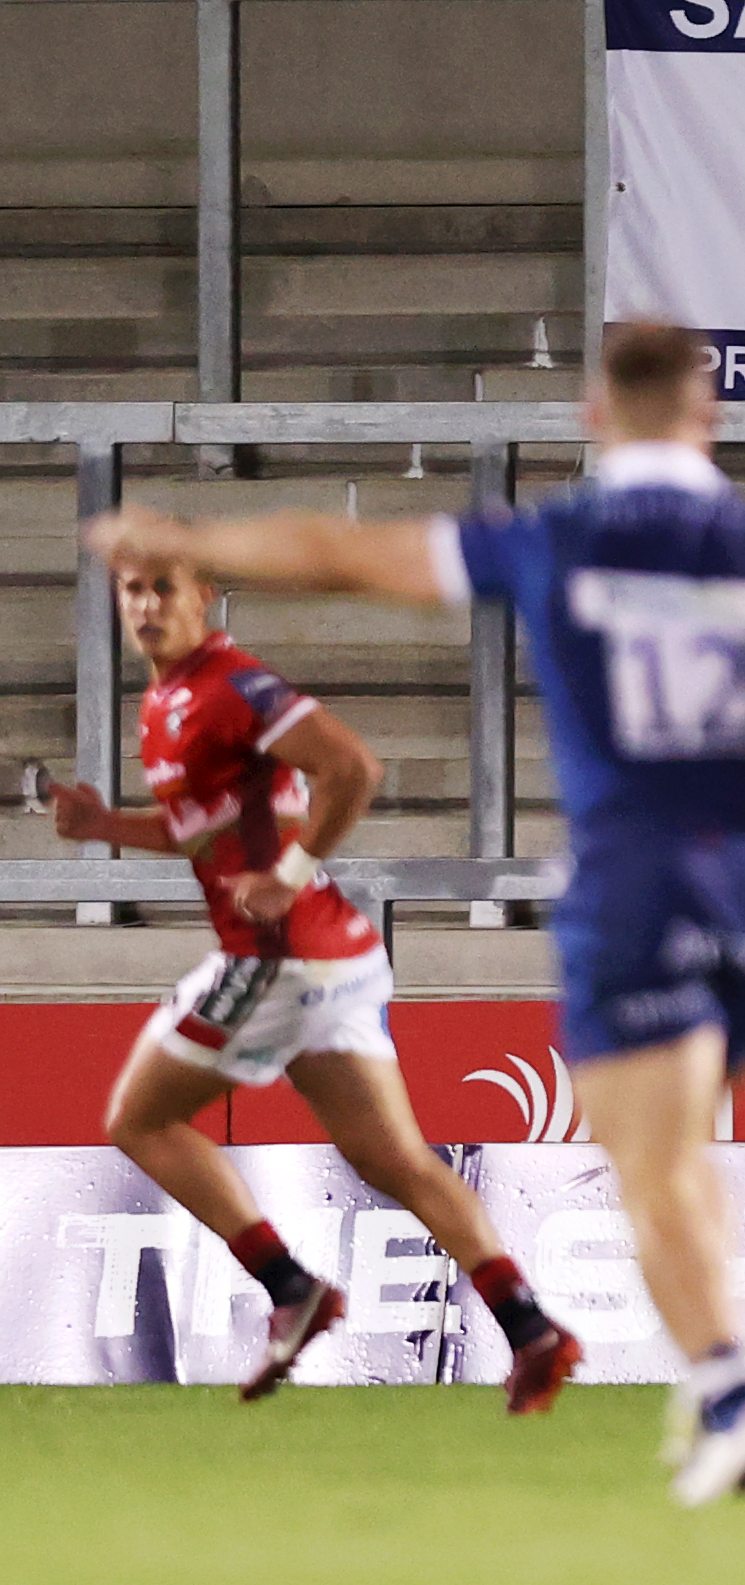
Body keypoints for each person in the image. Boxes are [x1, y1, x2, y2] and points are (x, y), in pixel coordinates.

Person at [88, 324, 745, 1507]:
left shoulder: (559, 537)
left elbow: (340, 552)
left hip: (633, 881)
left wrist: (190, 538)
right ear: (712, 418)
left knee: (655, 1162)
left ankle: (736, 1400)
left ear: (593, 416)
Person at [46, 560, 577, 1411]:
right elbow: (206, 831)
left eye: (162, 588)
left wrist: (290, 874)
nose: (145, 606)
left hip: (277, 957)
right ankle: (530, 1330)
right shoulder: (167, 703)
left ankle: (291, 1288)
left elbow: (353, 768)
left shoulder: (232, 686)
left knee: (139, 1118)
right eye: (132, 589)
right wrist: (106, 825)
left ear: (203, 596)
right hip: (335, 957)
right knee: (392, 1158)